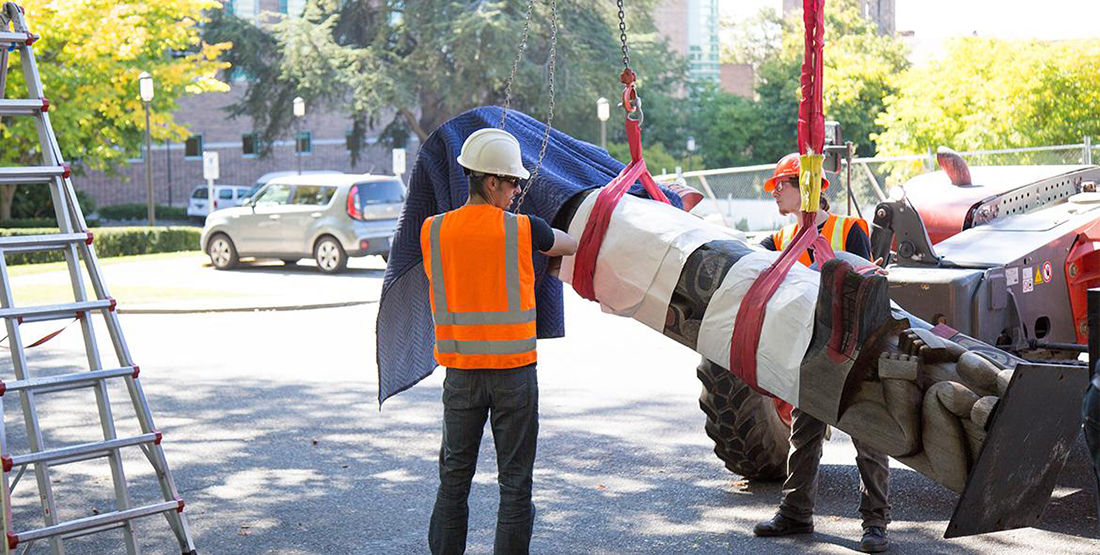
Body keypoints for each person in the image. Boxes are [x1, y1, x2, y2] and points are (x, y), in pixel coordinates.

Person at [422, 128, 578, 555]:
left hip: (461, 378)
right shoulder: (525, 230)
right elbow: (570, 244)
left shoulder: (432, 231)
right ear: (491, 181)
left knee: (453, 481)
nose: (516, 191)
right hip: (513, 377)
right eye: (512, 183)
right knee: (514, 486)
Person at [751, 153, 891, 553]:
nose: (776, 192)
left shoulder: (850, 231)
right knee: (804, 432)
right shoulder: (779, 241)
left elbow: (873, 290)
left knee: (867, 431)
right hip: (810, 349)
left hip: (856, 349)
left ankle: (875, 523)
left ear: (809, 188)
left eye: (783, 184)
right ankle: (796, 513)